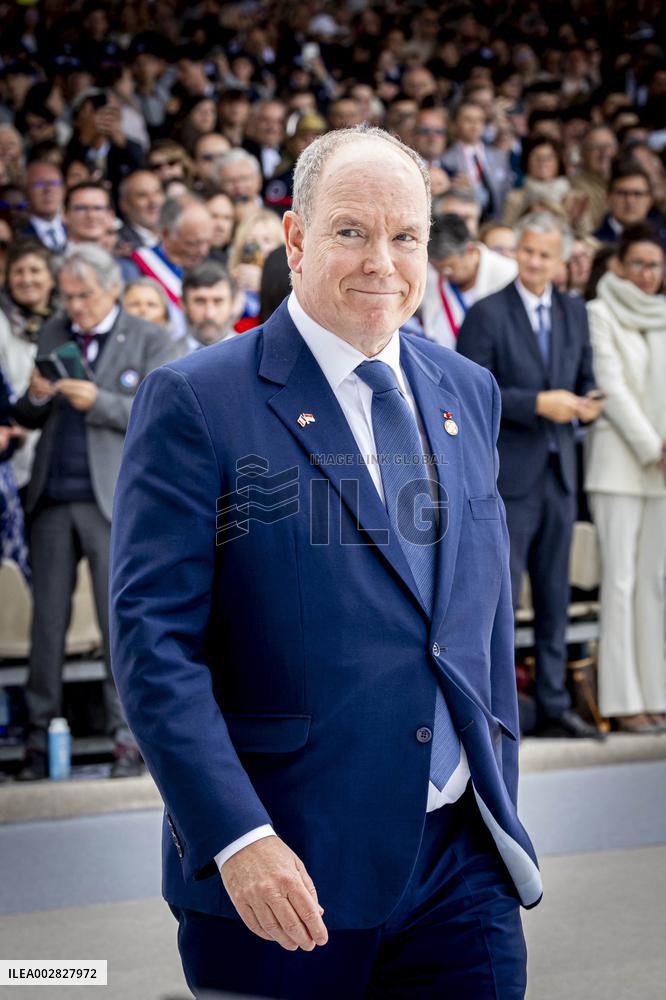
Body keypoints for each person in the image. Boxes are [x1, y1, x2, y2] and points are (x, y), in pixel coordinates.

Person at [111, 125, 540, 999]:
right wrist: (238, 839)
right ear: (296, 238)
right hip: (284, 872)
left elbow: (481, 616)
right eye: (352, 231)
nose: (382, 261)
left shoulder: (468, 390)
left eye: (405, 236)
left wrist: (499, 788)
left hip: (463, 864)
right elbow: (153, 646)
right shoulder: (197, 399)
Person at [13, 243, 179, 781]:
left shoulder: (150, 336)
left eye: (84, 295)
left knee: (118, 624)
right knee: (46, 627)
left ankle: (126, 737)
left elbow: (164, 416)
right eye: (68, 296)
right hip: (52, 497)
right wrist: (37, 396)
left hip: (113, 499)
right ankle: (37, 739)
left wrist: (99, 402)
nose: (75, 306)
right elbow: (27, 415)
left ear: (112, 289)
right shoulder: (55, 331)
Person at [457, 212, 605, 739]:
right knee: (500, 597)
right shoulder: (487, 313)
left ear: (561, 260)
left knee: (554, 596)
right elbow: (473, 392)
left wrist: (590, 403)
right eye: (528, 251)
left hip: (561, 473)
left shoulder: (572, 310)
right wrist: (538, 403)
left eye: (545, 254)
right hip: (510, 478)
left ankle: (554, 703)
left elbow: (585, 376)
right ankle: (495, 709)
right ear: (517, 252)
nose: (535, 262)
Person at [584, 224, 666, 733]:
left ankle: (654, 694)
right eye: (638, 263)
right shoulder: (600, 311)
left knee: (655, 584)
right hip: (620, 465)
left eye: (655, 265)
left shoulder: (663, 315)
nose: (646, 274)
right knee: (619, 582)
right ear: (618, 265)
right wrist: (654, 447)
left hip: (660, 472)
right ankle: (620, 700)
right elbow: (610, 387)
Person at [421, 214, 517, 348]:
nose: (444, 274)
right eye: (438, 269)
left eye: (450, 267)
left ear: (470, 250)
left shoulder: (509, 274)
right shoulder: (431, 275)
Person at [128, 196, 214, 338]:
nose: (203, 251)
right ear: (166, 234)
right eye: (193, 243)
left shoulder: (213, 265)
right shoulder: (136, 268)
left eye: (207, 242)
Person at [442, 100, 512, 220]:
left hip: (499, 219)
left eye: (479, 120)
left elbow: (507, 191)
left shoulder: (499, 156)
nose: (474, 125)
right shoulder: (447, 159)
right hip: (467, 217)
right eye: (468, 120)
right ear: (455, 124)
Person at [180, 261, 239, 351]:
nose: (209, 314)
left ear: (233, 303)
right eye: (200, 302)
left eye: (218, 301)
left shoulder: (253, 354)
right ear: (183, 304)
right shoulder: (164, 355)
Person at [21, 159, 67, 252]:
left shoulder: (76, 231)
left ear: (63, 190)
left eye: (54, 183)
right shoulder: (18, 235)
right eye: (40, 184)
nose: (48, 189)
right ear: (25, 192)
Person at [116, 170, 165, 254]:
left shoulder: (176, 237)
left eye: (157, 192)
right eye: (143, 195)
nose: (153, 201)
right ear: (124, 204)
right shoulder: (117, 243)